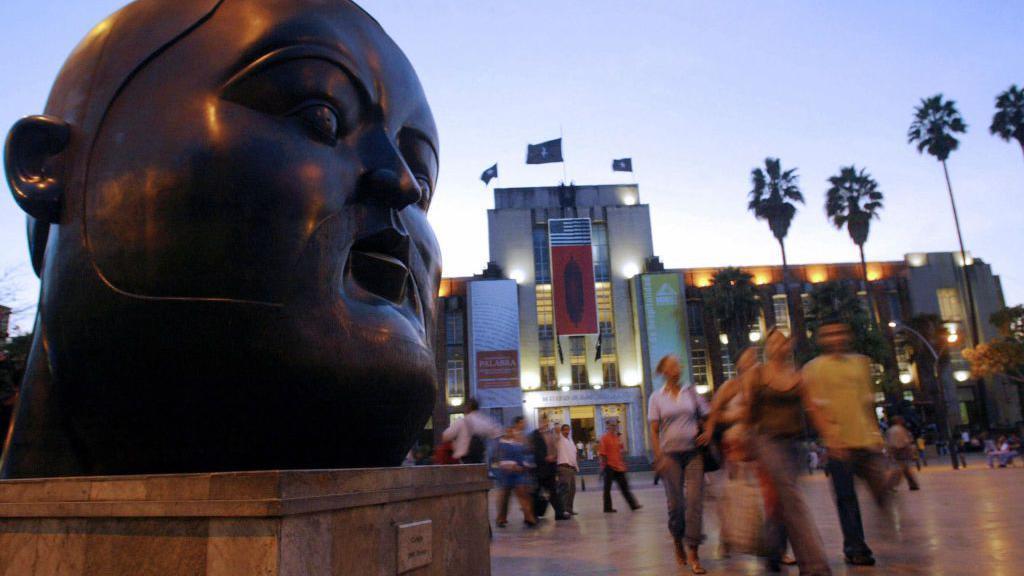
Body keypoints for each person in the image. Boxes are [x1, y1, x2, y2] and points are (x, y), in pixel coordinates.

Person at [803, 322, 896, 568]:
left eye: (839, 332)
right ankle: (856, 547)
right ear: (821, 339)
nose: (835, 337)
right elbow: (813, 407)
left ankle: (883, 526)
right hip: (839, 444)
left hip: (866, 440)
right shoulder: (813, 369)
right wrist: (830, 438)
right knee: (846, 499)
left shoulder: (861, 363)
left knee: (881, 490)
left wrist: (877, 436)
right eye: (829, 334)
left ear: (848, 335)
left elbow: (867, 402)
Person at [744, 330, 831, 576]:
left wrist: (830, 439)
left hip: (793, 445)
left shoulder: (798, 376)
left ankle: (771, 549)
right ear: (766, 347)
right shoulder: (757, 375)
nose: (777, 345)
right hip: (766, 442)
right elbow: (749, 413)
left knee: (781, 502)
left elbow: (813, 409)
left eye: (781, 340)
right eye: (772, 341)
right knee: (793, 500)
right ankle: (814, 565)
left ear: (789, 345)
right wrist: (746, 443)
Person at [651, 354, 706, 574]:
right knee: (676, 505)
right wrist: (659, 456)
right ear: (663, 370)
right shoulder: (656, 397)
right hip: (670, 456)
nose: (676, 368)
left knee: (694, 502)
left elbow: (707, 415)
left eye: (678, 364)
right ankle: (677, 539)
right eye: (671, 365)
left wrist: (708, 432)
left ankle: (693, 551)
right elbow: (654, 431)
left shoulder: (690, 392)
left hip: (693, 453)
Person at [701, 347, 757, 557]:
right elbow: (714, 414)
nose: (753, 361)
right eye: (748, 357)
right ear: (739, 364)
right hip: (734, 443)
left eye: (754, 357)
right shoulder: (731, 386)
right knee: (730, 492)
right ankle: (726, 536)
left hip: (757, 443)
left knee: (762, 493)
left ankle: (766, 542)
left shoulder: (759, 386)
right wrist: (735, 417)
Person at [495, 417, 537, 528]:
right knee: (505, 497)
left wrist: (526, 465)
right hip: (506, 474)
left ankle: (529, 517)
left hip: (519, 472)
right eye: (508, 431)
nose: (511, 433)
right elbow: (499, 459)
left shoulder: (519, 442)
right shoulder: (501, 443)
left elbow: (524, 455)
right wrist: (511, 466)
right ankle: (501, 518)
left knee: (523, 494)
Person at [530, 413, 569, 520]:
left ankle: (559, 513)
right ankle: (533, 514)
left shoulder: (551, 434)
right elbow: (535, 451)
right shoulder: (535, 435)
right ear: (539, 422)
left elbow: (555, 447)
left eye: (546, 421)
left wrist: (554, 457)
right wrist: (545, 458)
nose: (544, 423)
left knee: (553, 491)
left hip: (550, 468)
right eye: (542, 421)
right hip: (540, 469)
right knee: (537, 492)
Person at [599, 419, 642, 513]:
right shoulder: (604, 438)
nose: (614, 427)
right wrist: (605, 466)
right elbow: (602, 453)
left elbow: (621, 452)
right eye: (612, 425)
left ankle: (633, 505)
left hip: (619, 467)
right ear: (608, 426)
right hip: (609, 466)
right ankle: (607, 508)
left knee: (625, 487)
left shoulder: (617, 438)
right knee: (607, 489)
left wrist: (623, 463)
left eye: (615, 425)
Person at [441, 398, 503, 464]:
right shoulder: (485, 420)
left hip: (465, 456)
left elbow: (445, 436)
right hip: (481, 457)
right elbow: (498, 433)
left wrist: (456, 440)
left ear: (468, 408)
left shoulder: (462, 421)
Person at [886, 416, 920, 490]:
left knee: (903, 468)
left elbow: (890, 442)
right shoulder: (899, 429)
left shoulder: (890, 430)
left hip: (897, 450)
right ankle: (890, 485)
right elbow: (905, 441)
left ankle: (912, 484)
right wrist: (910, 451)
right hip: (901, 450)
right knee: (901, 469)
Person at [556, 424, 580, 515]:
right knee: (565, 490)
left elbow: (573, 454)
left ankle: (569, 509)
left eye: (568, 430)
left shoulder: (570, 440)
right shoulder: (560, 439)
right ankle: (562, 510)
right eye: (565, 430)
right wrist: (558, 430)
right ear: (562, 431)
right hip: (564, 467)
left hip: (571, 468)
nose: (567, 431)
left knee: (572, 490)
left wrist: (576, 467)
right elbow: (557, 432)